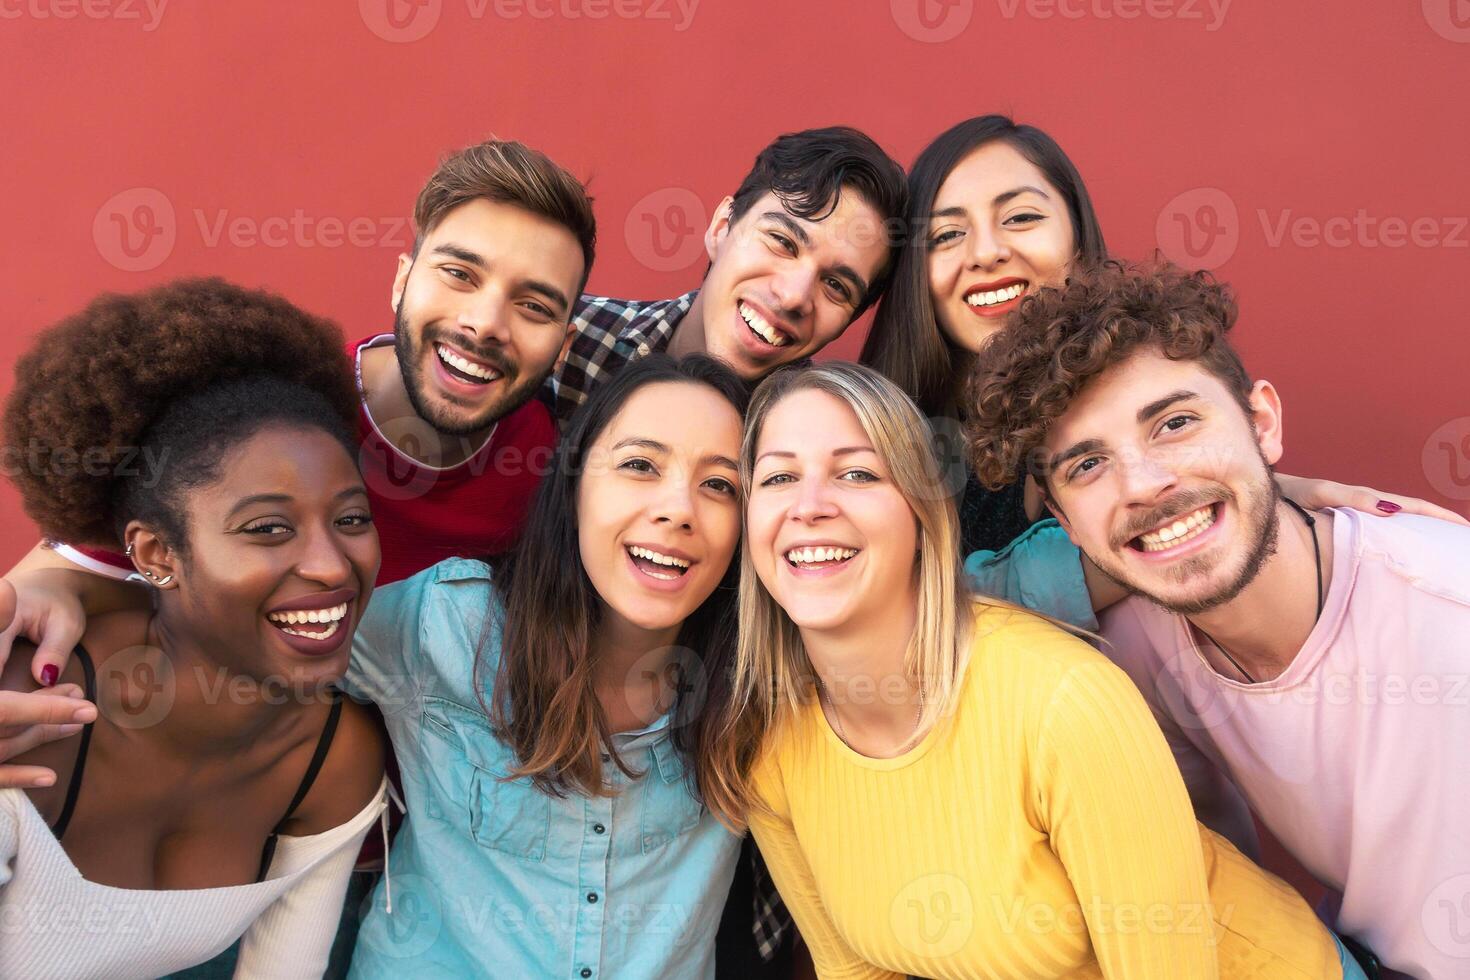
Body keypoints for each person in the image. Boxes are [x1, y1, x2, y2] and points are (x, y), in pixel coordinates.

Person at [724, 360, 1369, 979]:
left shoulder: (1061, 703)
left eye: (858, 475)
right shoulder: (774, 750)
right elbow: (855, 972)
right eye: (778, 478)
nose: (808, 506)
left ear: (923, 519)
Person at [966, 260, 1468, 979]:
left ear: (1262, 424)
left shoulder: (1449, 605)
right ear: (1066, 527)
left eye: (1175, 424)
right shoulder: (1138, 647)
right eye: (1087, 467)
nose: (1143, 483)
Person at [6, 136, 596, 681]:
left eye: (534, 307)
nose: (485, 324)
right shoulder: (267, 412)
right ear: (402, 280)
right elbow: (63, 569)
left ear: (563, 346)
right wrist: (54, 590)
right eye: (459, 274)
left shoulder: (551, 467)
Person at [0, 280, 388, 979]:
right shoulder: (28, 713)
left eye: (352, 519)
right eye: (268, 529)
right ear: (157, 555)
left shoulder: (333, 761)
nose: (333, 567)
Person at [860, 114, 1463, 561]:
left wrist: (1254, 495)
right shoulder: (876, 442)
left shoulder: (1163, 397)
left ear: (1077, 235)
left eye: (1021, 217)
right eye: (945, 236)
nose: (988, 252)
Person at [343, 353, 751, 976]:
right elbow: (263, 653)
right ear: (574, 481)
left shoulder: (757, 684)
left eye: (720, 484)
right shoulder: (449, 625)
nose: (680, 510)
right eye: (640, 465)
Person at [546, 126, 907, 424]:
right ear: (721, 228)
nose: (794, 296)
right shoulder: (565, 338)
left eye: (835, 286)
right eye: (782, 241)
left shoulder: (815, 446)